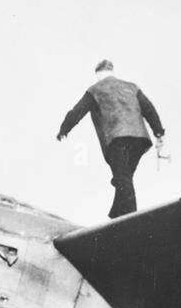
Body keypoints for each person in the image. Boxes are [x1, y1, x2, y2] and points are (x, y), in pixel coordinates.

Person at [57, 59, 166, 218]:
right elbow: (149, 108)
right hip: (139, 139)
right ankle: (116, 215)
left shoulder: (95, 89)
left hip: (117, 139)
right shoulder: (132, 87)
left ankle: (130, 218)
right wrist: (158, 132)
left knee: (122, 179)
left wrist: (64, 129)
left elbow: (77, 111)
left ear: (98, 75)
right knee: (125, 177)